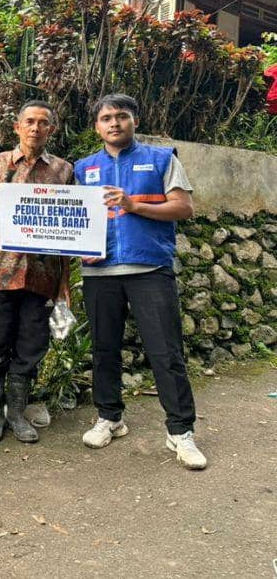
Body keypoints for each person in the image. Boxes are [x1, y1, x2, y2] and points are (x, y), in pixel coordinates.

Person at [75, 93, 205, 470]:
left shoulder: (162, 158)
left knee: (166, 352)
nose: (114, 123)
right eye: (106, 118)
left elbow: (184, 207)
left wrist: (134, 205)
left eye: (121, 116)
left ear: (135, 120)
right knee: (104, 350)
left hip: (149, 269)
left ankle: (180, 432)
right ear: (96, 126)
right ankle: (109, 418)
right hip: (99, 271)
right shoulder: (83, 168)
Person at [0, 100, 73, 444]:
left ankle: (17, 414)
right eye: (29, 121)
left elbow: (70, 230)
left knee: (30, 347)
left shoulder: (63, 171)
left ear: (51, 130)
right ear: (17, 127)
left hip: (42, 276)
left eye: (43, 123)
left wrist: (64, 283)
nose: (35, 128)